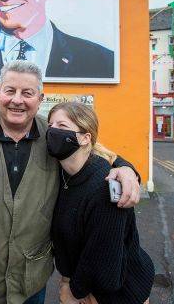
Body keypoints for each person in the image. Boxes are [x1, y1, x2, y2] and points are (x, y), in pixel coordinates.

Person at [0, 60, 141, 304]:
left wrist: (124, 168)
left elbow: (93, 151)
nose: (17, 100)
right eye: (10, 91)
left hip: (31, 283)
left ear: (40, 99)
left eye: (27, 93)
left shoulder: (54, 135)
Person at [48, 102, 154, 304]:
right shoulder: (62, 172)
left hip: (120, 293)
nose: (53, 131)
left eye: (62, 126)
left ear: (85, 138)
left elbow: (104, 260)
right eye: (51, 126)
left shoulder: (105, 186)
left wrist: (72, 291)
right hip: (83, 283)